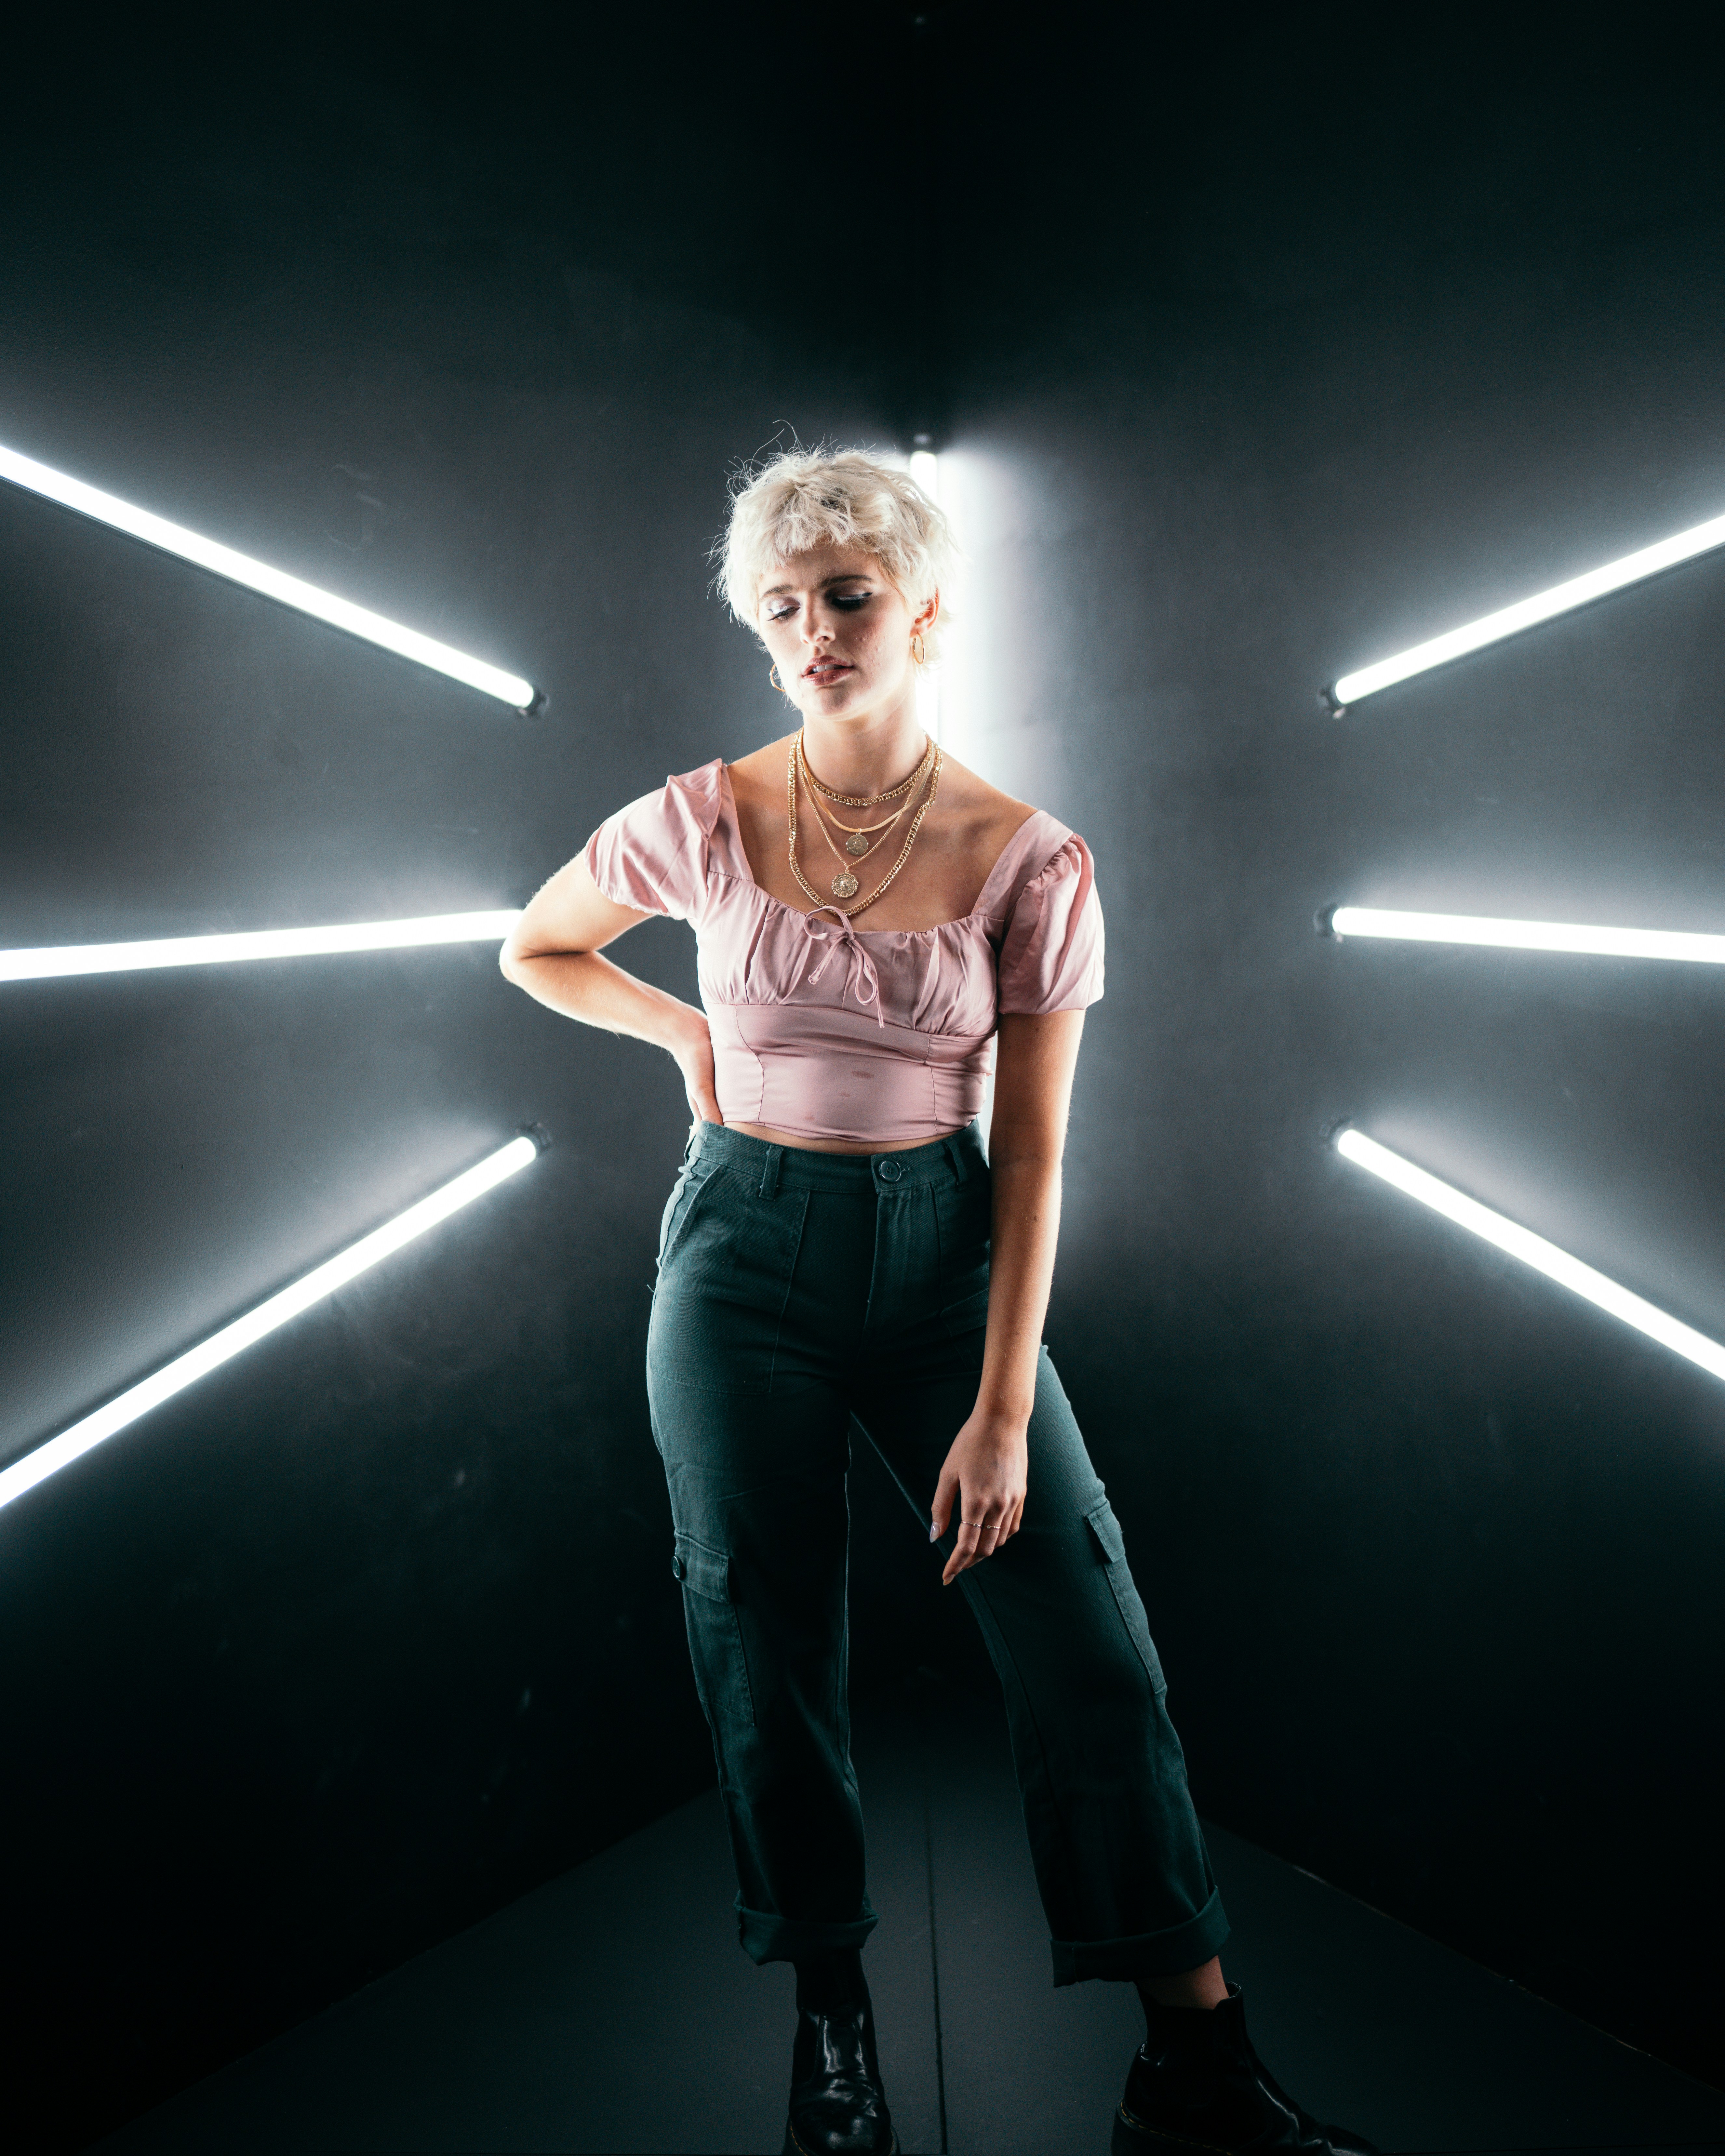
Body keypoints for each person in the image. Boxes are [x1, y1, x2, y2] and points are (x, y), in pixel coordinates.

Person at [501, 449, 1377, 2156]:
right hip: (737, 1250)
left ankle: (1190, 2063)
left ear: (919, 611)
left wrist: (993, 1407)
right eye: (781, 606)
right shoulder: (702, 813)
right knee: (757, 1632)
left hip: (946, 1247)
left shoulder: (1027, 857)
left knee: (1088, 1642)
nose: (812, 632)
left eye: (842, 595)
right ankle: (832, 2026)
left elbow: (1034, 1156)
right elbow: (538, 943)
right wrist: (687, 1038)